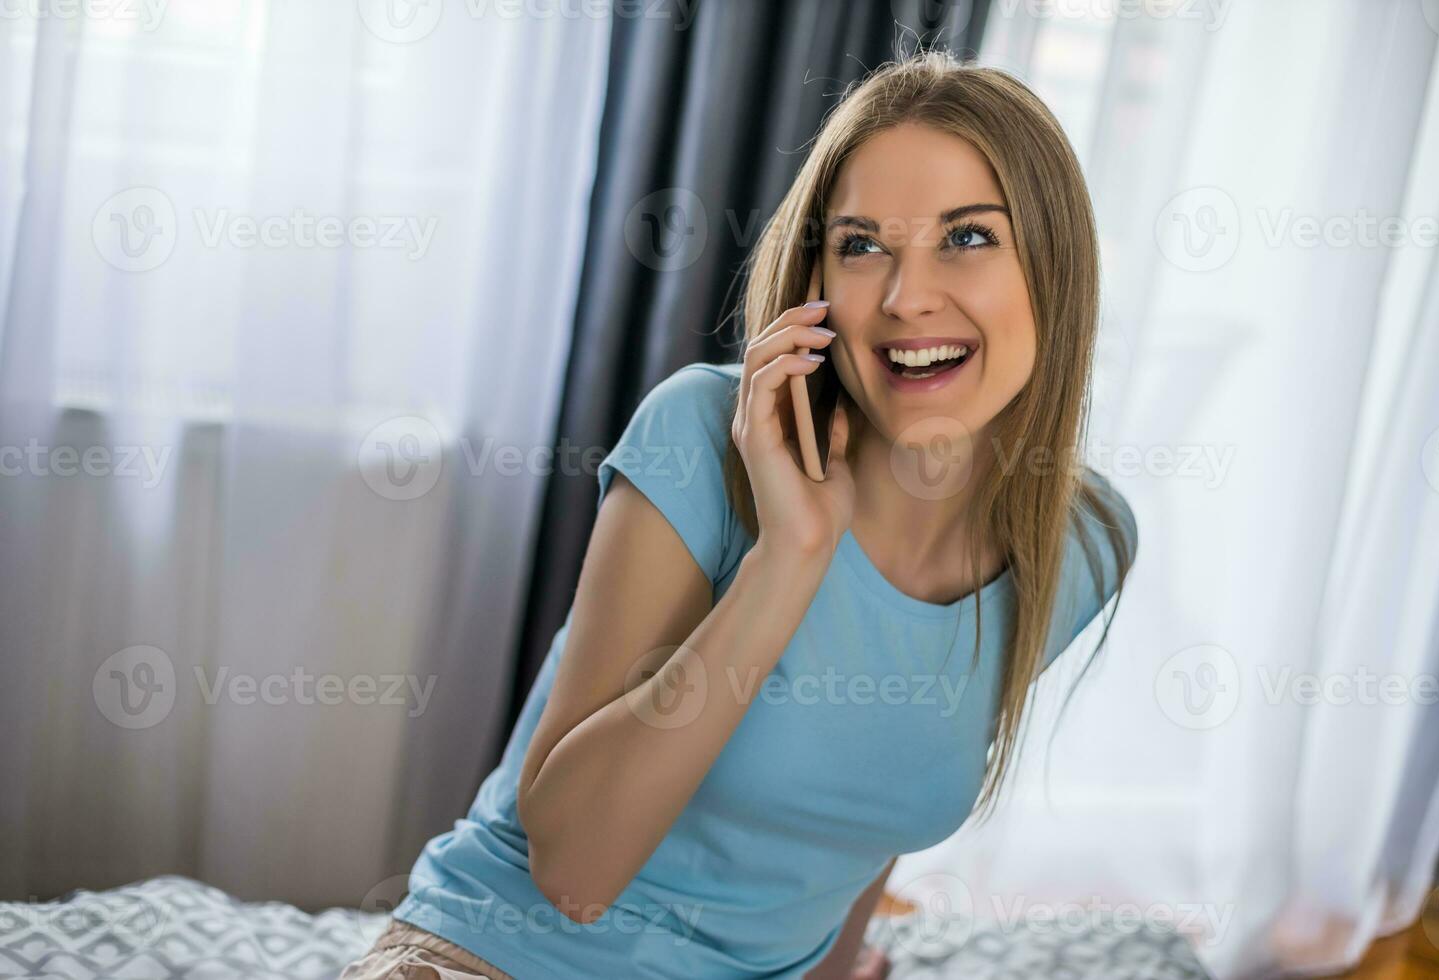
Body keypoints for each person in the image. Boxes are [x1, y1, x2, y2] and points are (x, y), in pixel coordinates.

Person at [339, 48, 1137, 980]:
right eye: (862, 244)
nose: (907, 296)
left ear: (1056, 267)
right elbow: (574, 873)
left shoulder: (1078, 547)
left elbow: (862, 819)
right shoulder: (698, 436)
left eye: (967, 237)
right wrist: (790, 554)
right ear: (815, 286)